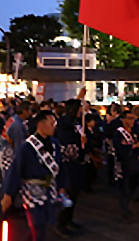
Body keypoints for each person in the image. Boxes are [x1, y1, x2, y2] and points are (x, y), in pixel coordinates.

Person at [1, 111, 66, 241]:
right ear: (40, 124)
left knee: (43, 223)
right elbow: (16, 170)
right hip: (32, 190)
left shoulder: (55, 144)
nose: (54, 126)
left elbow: (60, 167)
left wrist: (62, 186)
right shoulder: (27, 147)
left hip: (50, 189)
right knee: (37, 224)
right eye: (51, 123)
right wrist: (8, 195)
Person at [56, 99, 86, 236]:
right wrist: (79, 97)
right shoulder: (63, 123)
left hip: (75, 161)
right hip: (65, 163)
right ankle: (61, 222)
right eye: (79, 109)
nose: (81, 112)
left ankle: (69, 218)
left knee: (75, 192)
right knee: (67, 193)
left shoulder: (77, 124)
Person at [113, 110, 139, 220]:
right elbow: (120, 149)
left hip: (134, 162)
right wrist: (133, 147)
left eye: (133, 118)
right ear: (123, 119)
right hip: (124, 163)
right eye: (129, 118)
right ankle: (124, 208)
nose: (132, 121)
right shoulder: (119, 133)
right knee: (125, 186)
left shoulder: (135, 131)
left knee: (134, 184)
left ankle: (127, 204)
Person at [0, 102, 31, 178]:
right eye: (29, 110)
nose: (30, 113)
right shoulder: (17, 125)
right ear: (24, 111)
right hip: (9, 154)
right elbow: (19, 146)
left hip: (4, 151)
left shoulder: (13, 119)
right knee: (11, 182)